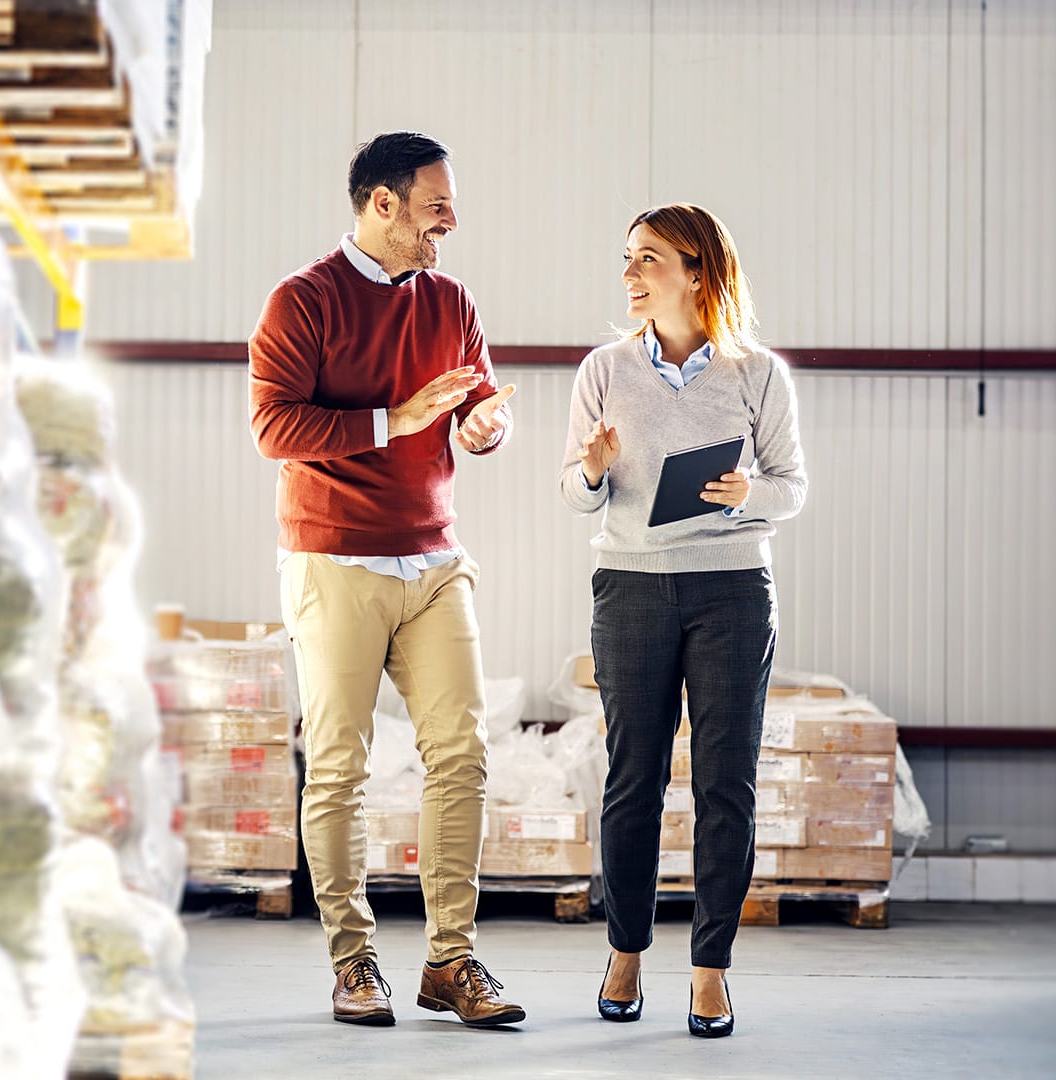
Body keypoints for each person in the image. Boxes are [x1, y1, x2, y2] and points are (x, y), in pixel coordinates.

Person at [248, 131, 522, 1028]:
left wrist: (485, 429)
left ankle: (452, 961)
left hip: (435, 557)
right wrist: (394, 419)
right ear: (382, 205)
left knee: (462, 756)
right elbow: (275, 429)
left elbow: (479, 404)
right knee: (339, 767)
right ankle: (354, 960)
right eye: (435, 206)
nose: (451, 222)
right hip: (334, 558)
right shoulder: (302, 302)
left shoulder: (451, 301)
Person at [559, 203, 808, 1039]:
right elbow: (575, 493)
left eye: (648, 259)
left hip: (732, 590)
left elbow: (791, 486)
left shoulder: (757, 373)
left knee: (724, 785)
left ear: (697, 271)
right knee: (632, 781)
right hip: (630, 585)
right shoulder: (602, 369)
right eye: (626, 258)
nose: (629, 274)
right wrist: (592, 470)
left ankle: (710, 972)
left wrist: (747, 499)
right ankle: (625, 952)